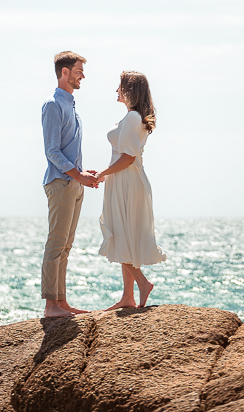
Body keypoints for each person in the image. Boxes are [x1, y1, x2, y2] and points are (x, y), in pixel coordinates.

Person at [91, 70, 166, 310]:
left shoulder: (133, 118)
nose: (116, 91)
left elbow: (128, 157)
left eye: (120, 86)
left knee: (121, 234)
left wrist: (103, 173)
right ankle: (127, 297)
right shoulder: (132, 118)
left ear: (130, 90)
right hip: (122, 179)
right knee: (125, 235)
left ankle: (143, 284)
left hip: (126, 180)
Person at [40, 50, 99, 319]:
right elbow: (52, 151)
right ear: (65, 72)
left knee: (66, 245)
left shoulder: (72, 106)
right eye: (78, 71)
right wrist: (78, 176)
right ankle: (50, 305)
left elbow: (67, 150)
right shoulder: (53, 105)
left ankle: (61, 302)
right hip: (61, 183)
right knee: (56, 244)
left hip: (74, 182)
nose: (82, 76)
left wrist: (83, 173)